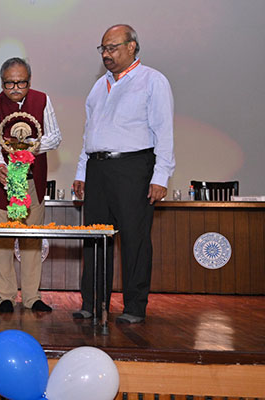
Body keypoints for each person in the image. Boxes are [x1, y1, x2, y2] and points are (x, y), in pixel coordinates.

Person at [72, 24, 174, 324]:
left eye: (112, 47)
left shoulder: (153, 81)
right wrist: (81, 171)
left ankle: (134, 307)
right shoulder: (98, 87)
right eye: (103, 49)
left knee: (134, 239)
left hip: (133, 168)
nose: (106, 54)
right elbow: (89, 133)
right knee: (95, 238)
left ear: (132, 47)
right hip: (97, 168)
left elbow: (164, 132)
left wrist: (161, 176)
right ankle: (92, 303)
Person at [0, 57, 62, 313]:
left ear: (29, 81)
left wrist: (28, 147)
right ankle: (5, 296)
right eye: (9, 83)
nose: (15, 88)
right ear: (1, 82)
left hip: (32, 182)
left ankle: (32, 297)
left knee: (32, 239)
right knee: (0, 240)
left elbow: (55, 137)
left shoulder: (42, 100)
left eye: (21, 83)